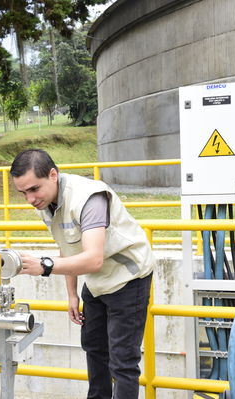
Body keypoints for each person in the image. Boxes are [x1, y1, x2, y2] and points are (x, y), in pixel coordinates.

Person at [10, 149, 155, 399]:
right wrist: (71, 294)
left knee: (123, 362)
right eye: (23, 193)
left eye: (34, 189)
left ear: (53, 175)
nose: (30, 199)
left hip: (127, 278)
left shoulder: (89, 198)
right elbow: (67, 245)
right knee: (94, 349)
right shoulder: (48, 202)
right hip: (97, 281)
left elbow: (93, 258)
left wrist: (44, 266)